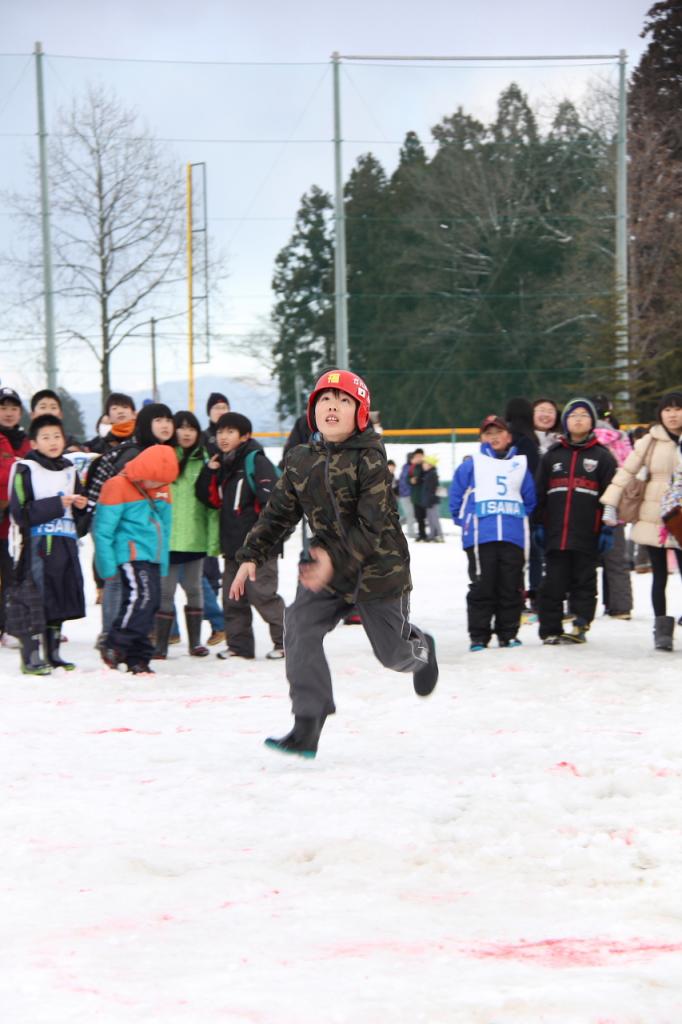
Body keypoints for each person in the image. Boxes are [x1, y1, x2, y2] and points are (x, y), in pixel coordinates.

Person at [229, 369, 439, 759]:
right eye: (326, 399)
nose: (333, 406)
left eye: (344, 401)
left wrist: (334, 560)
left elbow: (372, 524)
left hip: (378, 570)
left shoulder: (370, 458)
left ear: (359, 413)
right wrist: (251, 555)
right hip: (325, 570)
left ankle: (422, 648)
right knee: (299, 625)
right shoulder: (300, 459)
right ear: (314, 410)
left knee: (392, 655)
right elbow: (277, 514)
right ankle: (307, 725)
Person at [195, 411, 285, 661]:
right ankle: (239, 646)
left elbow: (273, 503)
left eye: (230, 432)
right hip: (234, 545)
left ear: (245, 436)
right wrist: (209, 471)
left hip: (259, 548)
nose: (223, 437)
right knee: (233, 598)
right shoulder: (225, 465)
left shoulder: (256, 462)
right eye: (220, 432)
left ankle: (289, 641)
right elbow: (208, 499)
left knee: (263, 595)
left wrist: (266, 540)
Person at [601, 392, 682, 651]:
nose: (672, 414)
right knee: (659, 575)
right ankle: (662, 630)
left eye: (678, 409)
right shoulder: (650, 441)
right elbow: (626, 472)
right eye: (667, 409)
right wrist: (611, 503)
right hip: (654, 515)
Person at [9, 414, 88, 674]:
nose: (53, 442)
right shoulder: (25, 469)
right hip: (37, 546)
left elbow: (80, 517)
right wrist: (56, 505)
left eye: (57, 436)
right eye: (46, 437)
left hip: (65, 544)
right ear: (34, 443)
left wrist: (81, 507)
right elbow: (21, 512)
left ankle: (53, 654)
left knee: (61, 596)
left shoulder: (70, 470)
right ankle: (30, 656)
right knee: (34, 599)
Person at [534, 398, 617, 645]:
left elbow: (611, 495)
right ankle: (550, 628)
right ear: (565, 422)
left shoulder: (603, 457)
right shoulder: (552, 456)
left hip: (587, 534)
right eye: (573, 415)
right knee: (553, 583)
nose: (578, 419)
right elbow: (540, 494)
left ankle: (581, 624)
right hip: (556, 533)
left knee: (584, 581)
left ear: (592, 421)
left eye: (584, 415)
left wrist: (606, 528)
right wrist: (538, 524)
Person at [450, 414, 536, 650]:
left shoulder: (519, 465)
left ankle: (508, 633)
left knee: (510, 585)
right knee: (482, 585)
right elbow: (456, 497)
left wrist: (514, 520)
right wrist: (465, 522)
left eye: (498, 432)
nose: (494, 437)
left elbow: (529, 499)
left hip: (512, 535)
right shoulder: (472, 465)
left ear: (508, 437)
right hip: (480, 536)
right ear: (481, 438)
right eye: (488, 433)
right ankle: (479, 635)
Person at [94, 445, 178, 675]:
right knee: (141, 599)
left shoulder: (161, 489)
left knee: (150, 605)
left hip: (152, 556)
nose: (156, 486)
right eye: (153, 481)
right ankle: (114, 643)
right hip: (130, 555)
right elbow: (102, 531)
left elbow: (165, 528)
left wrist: (163, 562)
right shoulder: (116, 486)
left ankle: (138, 658)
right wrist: (106, 566)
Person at [152, 411, 220, 660]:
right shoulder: (165, 457)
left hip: (195, 536)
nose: (187, 432)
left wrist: (213, 540)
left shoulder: (206, 459)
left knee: (194, 588)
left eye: (192, 428)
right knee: (165, 592)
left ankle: (195, 643)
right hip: (167, 539)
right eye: (181, 427)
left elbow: (212, 503)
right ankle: (161, 645)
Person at [591, 394, 633, 620]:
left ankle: (582, 604)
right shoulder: (619, 437)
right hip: (614, 504)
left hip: (585, 505)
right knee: (616, 559)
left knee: (582, 560)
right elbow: (629, 469)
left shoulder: (581, 437)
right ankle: (620, 606)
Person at [0, 386, 31, 647]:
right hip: (2, 519)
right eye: (3, 408)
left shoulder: (26, 441)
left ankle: (14, 624)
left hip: (24, 520)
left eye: (13, 408)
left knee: (18, 573)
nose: (9, 413)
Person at [422, 454, 444, 542]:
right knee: (430, 519)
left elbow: (432, 489)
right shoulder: (429, 474)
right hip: (429, 500)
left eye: (425, 463)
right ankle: (432, 535)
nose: (423, 465)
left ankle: (439, 535)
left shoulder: (432, 474)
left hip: (432, 501)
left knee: (434, 518)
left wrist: (430, 500)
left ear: (430, 465)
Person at [408, 449, 427, 541]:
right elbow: (407, 478)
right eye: (417, 456)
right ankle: (421, 534)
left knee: (426, 517)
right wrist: (411, 480)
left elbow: (427, 477)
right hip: (416, 496)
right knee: (419, 517)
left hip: (424, 496)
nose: (419, 458)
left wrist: (418, 480)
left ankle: (428, 534)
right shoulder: (412, 467)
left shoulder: (426, 465)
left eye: (420, 456)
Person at [397, 452, 417, 539]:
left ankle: (396, 525)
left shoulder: (410, 467)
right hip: (406, 496)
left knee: (410, 515)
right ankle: (411, 533)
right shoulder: (408, 468)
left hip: (407, 495)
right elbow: (405, 483)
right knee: (410, 515)